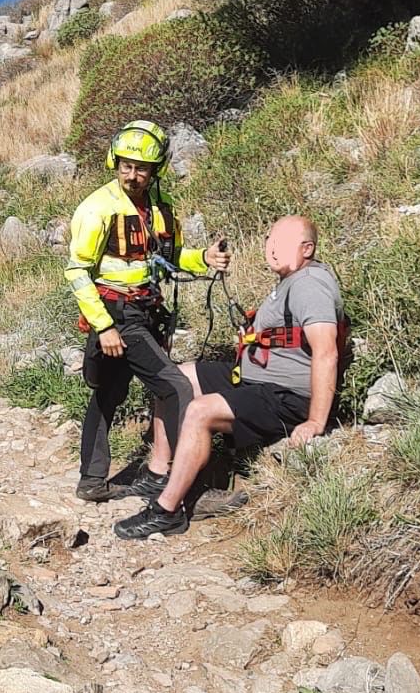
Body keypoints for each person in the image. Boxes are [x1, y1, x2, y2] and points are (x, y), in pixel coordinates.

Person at [113, 215, 349, 539]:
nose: (272, 248)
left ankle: (166, 511)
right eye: (271, 239)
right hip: (256, 380)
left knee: (200, 411)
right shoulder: (291, 280)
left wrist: (315, 422)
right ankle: (159, 472)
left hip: (285, 396)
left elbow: (326, 353)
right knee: (172, 380)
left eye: (283, 242)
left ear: (307, 249)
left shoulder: (310, 285)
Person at [67, 121, 232, 504]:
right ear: (114, 162)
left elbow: (168, 257)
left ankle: (93, 482)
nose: (132, 174)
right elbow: (77, 271)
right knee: (176, 388)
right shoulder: (98, 208)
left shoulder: (159, 207)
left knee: (110, 392)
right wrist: (104, 326)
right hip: (117, 314)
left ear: (155, 169)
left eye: (141, 168)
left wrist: (203, 258)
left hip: (144, 309)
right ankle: (178, 484)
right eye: (126, 165)